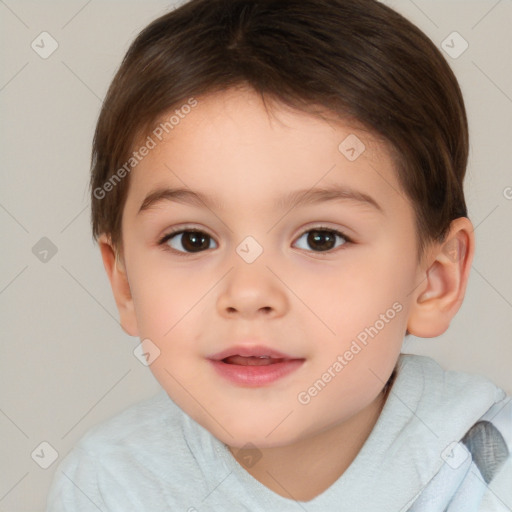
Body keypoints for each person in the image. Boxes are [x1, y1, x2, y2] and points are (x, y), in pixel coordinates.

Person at [46, 0, 512, 510]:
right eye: (192, 239)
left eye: (321, 239)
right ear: (125, 283)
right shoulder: (109, 484)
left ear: (434, 279)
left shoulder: (489, 472)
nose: (248, 294)